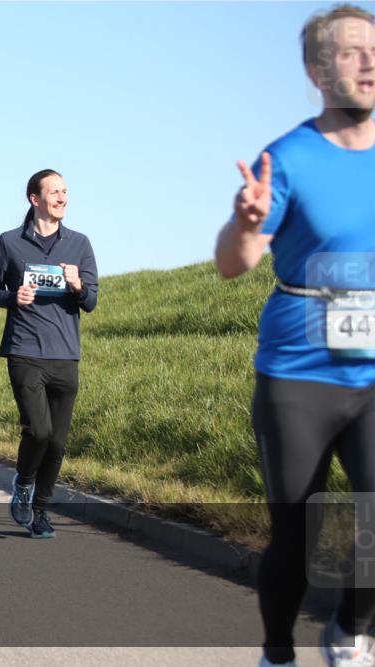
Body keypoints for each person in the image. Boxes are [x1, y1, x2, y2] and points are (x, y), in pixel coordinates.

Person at [213, 6, 375, 666]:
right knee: (298, 533)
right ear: (317, 71)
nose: (369, 60)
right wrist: (246, 224)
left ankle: (350, 629)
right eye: (350, 51)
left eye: (374, 47)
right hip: (300, 373)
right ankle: (277, 652)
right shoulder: (286, 158)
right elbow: (234, 262)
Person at [0, 168, 98, 539]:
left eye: (65, 191)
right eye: (55, 191)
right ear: (35, 199)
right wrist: (12, 296)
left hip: (65, 354)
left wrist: (78, 285)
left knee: (58, 442)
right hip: (24, 350)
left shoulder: (79, 244)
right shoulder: (9, 242)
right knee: (39, 430)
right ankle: (23, 482)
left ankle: (41, 510)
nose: (63, 197)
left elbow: (91, 302)